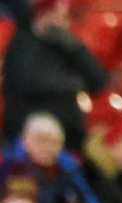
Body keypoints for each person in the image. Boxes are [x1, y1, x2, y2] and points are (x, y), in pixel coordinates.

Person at [0, 0, 107, 145]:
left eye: (63, 17)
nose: (61, 22)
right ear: (42, 17)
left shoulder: (68, 45)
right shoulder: (22, 43)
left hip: (69, 130)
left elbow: (99, 81)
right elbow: (34, 84)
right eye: (56, 16)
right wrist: (76, 85)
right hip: (31, 127)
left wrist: (74, 48)